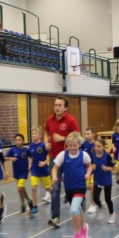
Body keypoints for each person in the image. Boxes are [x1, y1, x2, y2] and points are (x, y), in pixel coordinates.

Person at [51, 132, 92, 238]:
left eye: (75, 145)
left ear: (79, 144)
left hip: (80, 186)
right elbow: (55, 168)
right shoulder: (62, 155)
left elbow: (89, 166)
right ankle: (84, 228)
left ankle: (77, 235)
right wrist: (54, 177)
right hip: (69, 187)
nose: (72, 148)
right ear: (66, 145)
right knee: (77, 209)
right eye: (70, 145)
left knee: (74, 209)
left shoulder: (84, 155)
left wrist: (88, 174)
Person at [45, 97, 80, 228]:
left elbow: (78, 137)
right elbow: (46, 132)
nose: (57, 107)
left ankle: (77, 211)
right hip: (54, 158)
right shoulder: (49, 120)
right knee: (55, 188)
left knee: (71, 187)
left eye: (60, 105)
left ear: (65, 107)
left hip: (69, 158)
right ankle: (55, 217)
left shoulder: (71, 120)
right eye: (55, 105)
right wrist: (46, 142)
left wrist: (63, 138)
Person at [88, 139, 116, 223]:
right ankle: (100, 207)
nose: (96, 148)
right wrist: (92, 168)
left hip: (106, 180)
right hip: (97, 179)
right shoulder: (93, 155)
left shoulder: (107, 156)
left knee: (108, 199)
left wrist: (107, 168)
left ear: (103, 147)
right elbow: (91, 166)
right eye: (95, 146)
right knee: (95, 198)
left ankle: (112, 214)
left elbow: (114, 168)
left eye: (99, 146)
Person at [6, 134, 34, 214]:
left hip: (24, 172)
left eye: (19, 140)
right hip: (16, 172)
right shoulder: (12, 150)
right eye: (16, 140)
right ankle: (24, 203)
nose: (17, 142)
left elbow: (32, 157)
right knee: (21, 189)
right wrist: (11, 158)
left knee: (19, 188)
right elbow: (4, 157)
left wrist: (30, 165)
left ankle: (28, 200)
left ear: (23, 141)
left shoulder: (26, 150)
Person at [28, 126, 51, 213]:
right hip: (35, 170)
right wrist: (29, 166)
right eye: (32, 134)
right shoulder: (31, 146)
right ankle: (35, 206)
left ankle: (54, 197)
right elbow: (32, 157)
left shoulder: (43, 145)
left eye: (35, 134)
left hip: (44, 170)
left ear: (40, 135)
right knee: (33, 188)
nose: (33, 135)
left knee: (49, 188)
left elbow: (50, 155)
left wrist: (45, 162)